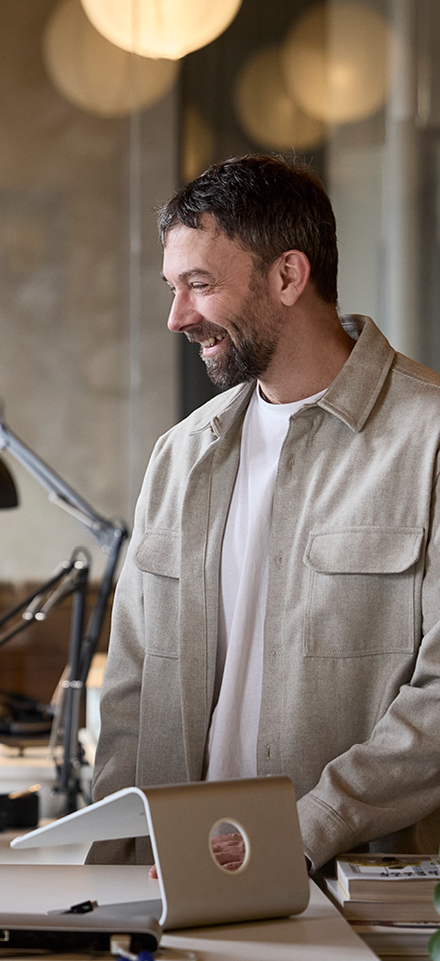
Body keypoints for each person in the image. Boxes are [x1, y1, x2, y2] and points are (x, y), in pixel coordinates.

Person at [88, 154, 440, 873]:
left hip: (352, 895)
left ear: (287, 276)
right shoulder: (180, 455)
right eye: (173, 288)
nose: (178, 317)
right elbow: (130, 690)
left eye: (200, 285)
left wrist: (301, 830)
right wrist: (111, 874)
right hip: (175, 881)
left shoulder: (429, 439)